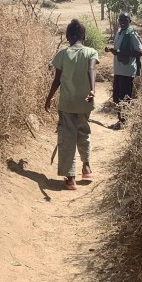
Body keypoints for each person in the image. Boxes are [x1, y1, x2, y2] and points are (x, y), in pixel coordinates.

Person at [44, 18, 98, 190]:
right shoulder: (91, 52)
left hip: (67, 103)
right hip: (85, 102)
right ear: (84, 35)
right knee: (84, 132)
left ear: (68, 36)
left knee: (68, 137)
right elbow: (91, 69)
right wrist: (92, 90)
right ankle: (87, 167)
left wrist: (49, 97)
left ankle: (71, 177)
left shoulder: (63, 54)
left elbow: (57, 80)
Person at [105, 12, 142, 129]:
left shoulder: (131, 34)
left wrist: (120, 52)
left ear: (129, 21)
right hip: (118, 70)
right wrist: (112, 50)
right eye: (121, 19)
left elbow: (139, 52)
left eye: (125, 19)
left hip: (127, 71)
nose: (122, 21)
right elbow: (118, 50)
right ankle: (120, 121)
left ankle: (124, 123)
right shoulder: (119, 32)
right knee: (117, 97)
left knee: (124, 98)